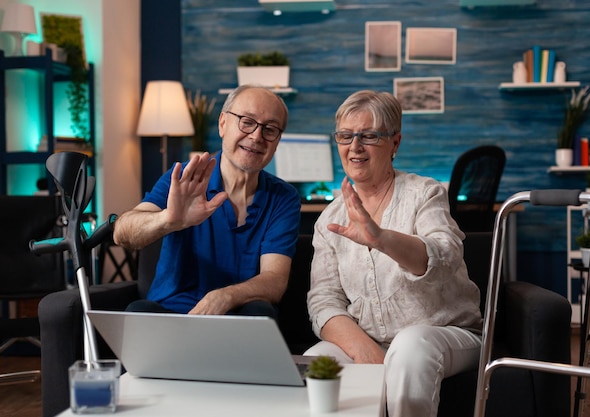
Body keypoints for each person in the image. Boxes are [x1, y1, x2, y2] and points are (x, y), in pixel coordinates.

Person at [305, 90, 483, 417]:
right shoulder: (328, 219)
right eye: (345, 136)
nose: (354, 147)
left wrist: (382, 239)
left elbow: (444, 256)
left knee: (410, 346)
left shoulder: (424, 193)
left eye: (369, 136)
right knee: (317, 362)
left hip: (448, 333)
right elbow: (324, 299)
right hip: (371, 338)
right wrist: (366, 352)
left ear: (395, 143)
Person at [113, 85, 301, 317]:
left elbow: (274, 281)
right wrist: (168, 219)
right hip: (171, 314)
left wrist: (225, 296)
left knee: (261, 311)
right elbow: (122, 233)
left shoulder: (283, 198)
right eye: (247, 121)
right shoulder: (183, 177)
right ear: (223, 123)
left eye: (270, 129)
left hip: (238, 317)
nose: (256, 136)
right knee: (138, 311)